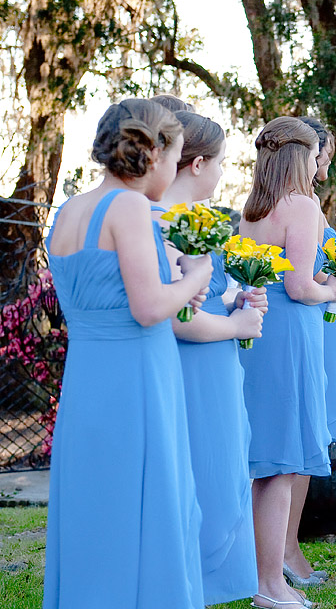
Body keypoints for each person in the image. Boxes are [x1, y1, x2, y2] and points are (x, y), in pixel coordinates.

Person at [44, 98, 212, 608]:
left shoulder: (69, 209)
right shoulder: (131, 207)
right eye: (176, 153)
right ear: (155, 153)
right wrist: (196, 276)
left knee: (96, 503)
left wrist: (176, 286)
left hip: (88, 377)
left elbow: (108, 293)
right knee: (146, 502)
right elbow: (147, 307)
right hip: (137, 375)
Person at [153, 111, 266, 605]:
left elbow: (196, 297)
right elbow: (176, 316)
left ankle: (206, 584)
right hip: (191, 368)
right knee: (202, 483)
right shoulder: (162, 224)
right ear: (196, 164)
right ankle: (186, 583)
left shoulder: (194, 224)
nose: (222, 175)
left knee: (221, 475)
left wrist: (231, 303)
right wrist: (236, 326)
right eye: (220, 163)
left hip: (217, 365)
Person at [238, 116, 336, 609]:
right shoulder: (301, 206)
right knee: (282, 465)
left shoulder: (253, 208)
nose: (316, 164)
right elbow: (303, 286)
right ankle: (271, 584)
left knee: (262, 461)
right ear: (299, 156)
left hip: (257, 334)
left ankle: (261, 577)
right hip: (289, 337)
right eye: (314, 155)